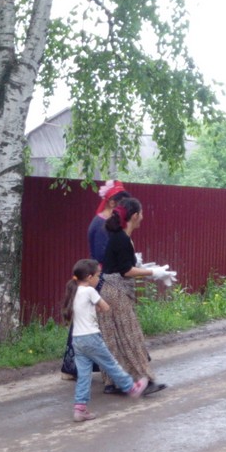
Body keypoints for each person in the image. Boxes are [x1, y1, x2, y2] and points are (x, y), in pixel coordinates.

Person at [61, 180, 132, 381]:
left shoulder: (103, 222)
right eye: (121, 204)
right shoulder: (101, 224)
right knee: (95, 321)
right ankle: (78, 367)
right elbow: (101, 255)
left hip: (98, 275)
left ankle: (75, 368)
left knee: (89, 320)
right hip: (99, 277)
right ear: (112, 203)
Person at [62, 259, 149, 421]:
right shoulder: (90, 291)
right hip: (92, 337)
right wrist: (99, 307)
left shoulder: (74, 292)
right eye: (98, 276)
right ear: (89, 277)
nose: (99, 279)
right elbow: (106, 307)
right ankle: (131, 387)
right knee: (111, 364)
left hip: (77, 340)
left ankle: (80, 408)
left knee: (83, 375)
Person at [99, 197, 171, 394]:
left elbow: (123, 266)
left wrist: (144, 268)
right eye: (141, 213)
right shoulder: (122, 238)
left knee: (113, 338)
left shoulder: (121, 237)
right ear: (135, 215)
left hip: (108, 291)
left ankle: (112, 382)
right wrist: (153, 272)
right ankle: (143, 380)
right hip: (116, 293)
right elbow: (126, 271)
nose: (143, 217)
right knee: (131, 336)